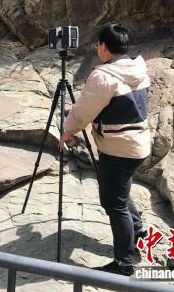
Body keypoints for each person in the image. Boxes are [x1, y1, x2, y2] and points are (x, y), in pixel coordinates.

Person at [58, 24, 151, 276]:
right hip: (138, 143)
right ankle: (138, 230)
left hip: (118, 148)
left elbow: (83, 111)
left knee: (113, 203)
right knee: (119, 190)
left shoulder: (103, 76)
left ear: (103, 46)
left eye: (98, 44)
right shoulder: (139, 68)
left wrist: (68, 130)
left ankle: (124, 262)